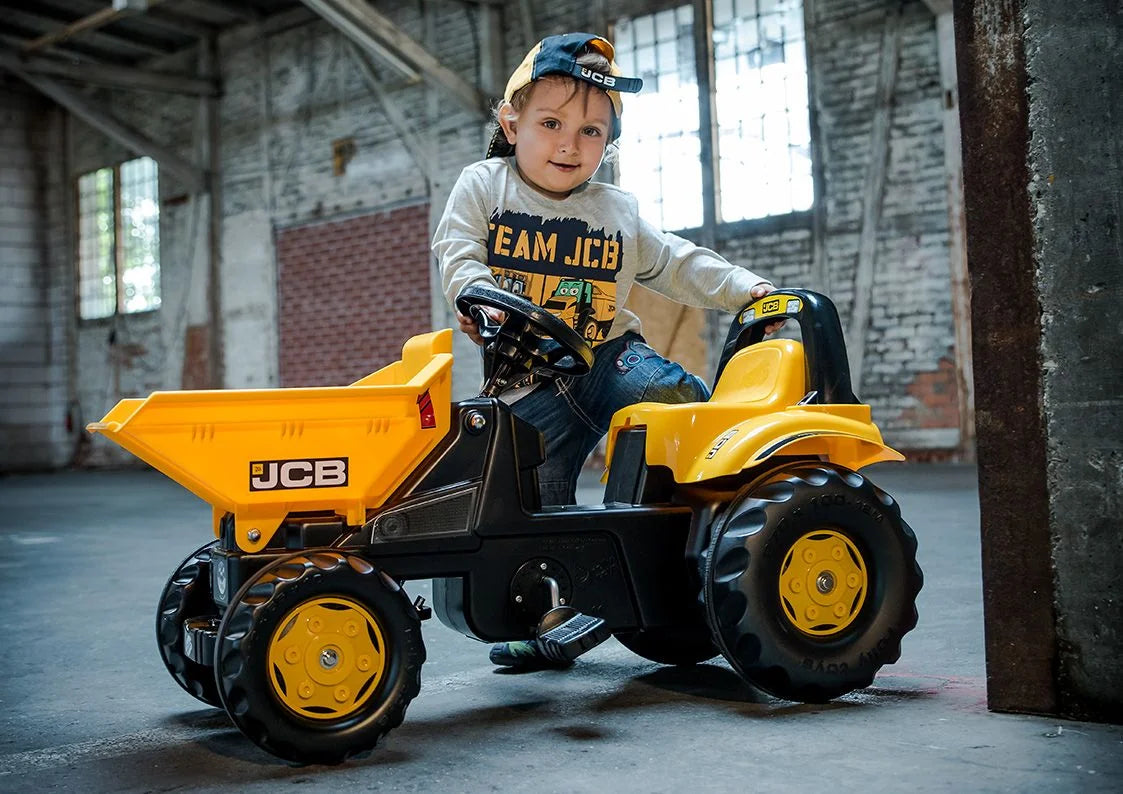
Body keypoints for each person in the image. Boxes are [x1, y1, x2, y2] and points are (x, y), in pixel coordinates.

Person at [432, 32, 778, 669]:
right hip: (528, 381)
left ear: (608, 142)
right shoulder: (484, 186)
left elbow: (675, 261)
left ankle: (717, 532)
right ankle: (543, 622)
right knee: (533, 509)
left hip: (609, 358)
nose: (569, 144)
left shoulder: (615, 209)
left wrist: (742, 289)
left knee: (679, 399)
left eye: (592, 131)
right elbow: (458, 256)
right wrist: (475, 291)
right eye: (552, 123)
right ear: (511, 123)